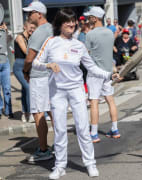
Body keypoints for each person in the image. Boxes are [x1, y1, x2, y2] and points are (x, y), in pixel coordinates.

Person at [32, 8, 120, 179]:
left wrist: (109, 74)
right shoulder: (50, 42)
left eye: (73, 22)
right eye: (68, 21)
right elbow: (36, 63)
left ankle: (90, 163)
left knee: (82, 128)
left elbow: (92, 67)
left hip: (76, 90)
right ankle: (59, 166)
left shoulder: (79, 45)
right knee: (59, 129)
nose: (72, 24)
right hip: (57, 92)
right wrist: (48, 66)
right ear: (60, 24)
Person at [22, 1, 54, 162]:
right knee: (52, 111)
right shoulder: (51, 28)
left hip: (39, 77)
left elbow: (30, 57)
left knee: (38, 113)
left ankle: (43, 150)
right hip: (49, 75)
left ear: (39, 14)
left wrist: (25, 70)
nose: (28, 15)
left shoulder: (39, 32)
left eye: (31, 12)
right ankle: (61, 145)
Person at [84, 6, 121, 143]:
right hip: (108, 72)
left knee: (94, 102)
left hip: (95, 73)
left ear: (94, 18)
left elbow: (86, 54)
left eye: (89, 17)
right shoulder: (110, 33)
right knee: (110, 100)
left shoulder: (90, 34)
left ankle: (94, 133)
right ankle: (115, 129)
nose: (88, 19)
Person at [13, 20, 36, 122]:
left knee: (24, 89)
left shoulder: (31, 38)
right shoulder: (19, 37)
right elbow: (26, 51)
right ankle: (30, 113)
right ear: (25, 27)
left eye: (34, 28)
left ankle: (24, 113)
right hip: (18, 66)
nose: (32, 29)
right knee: (28, 87)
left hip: (28, 65)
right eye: (30, 27)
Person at [0, 22, 13, 119]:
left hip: (5, 62)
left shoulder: (4, 32)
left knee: (7, 88)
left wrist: (6, 30)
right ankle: (0, 109)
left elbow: (11, 38)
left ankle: (9, 110)